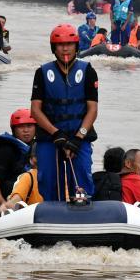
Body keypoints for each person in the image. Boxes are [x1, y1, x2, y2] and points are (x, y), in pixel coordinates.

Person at [31, 24, 98, 202]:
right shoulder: (42, 73)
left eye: (70, 44)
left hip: (79, 136)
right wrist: (56, 134)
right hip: (50, 137)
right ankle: (52, 211)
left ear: (77, 46)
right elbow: (35, 110)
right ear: (54, 48)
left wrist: (78, 137)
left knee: (82, 175)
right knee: (48, 180)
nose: (65, 48)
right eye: (60, 45)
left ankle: (84, 212)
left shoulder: (88, 71)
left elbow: (92, 109)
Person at [0, 108, 37, 210]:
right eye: (20, 127)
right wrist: (4, 204)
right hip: (9, 201)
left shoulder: (39, 148)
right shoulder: (5, 150)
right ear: (14, 129)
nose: (26, 130)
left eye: (29, 126)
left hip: (31, 202)